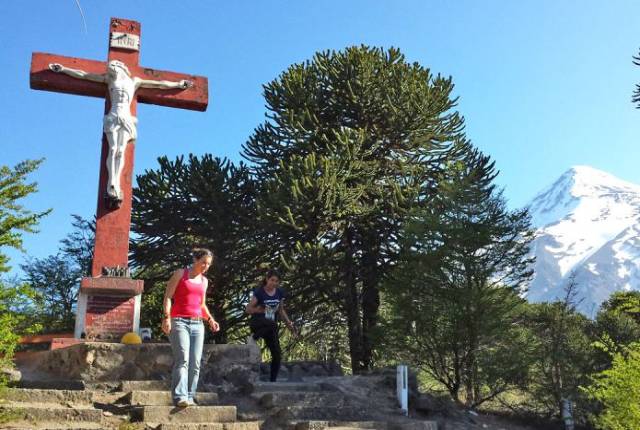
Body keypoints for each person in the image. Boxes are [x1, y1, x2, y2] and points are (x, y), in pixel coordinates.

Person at [49, 60, 192, 206]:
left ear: (121, 67)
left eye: (113, 68)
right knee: (113, 149)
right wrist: (63, 69)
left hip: (126, 118)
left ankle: (116, 181)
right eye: (110, 69)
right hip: (113, 116)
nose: (111, 71)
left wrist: (178, 84)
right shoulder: (109, 80)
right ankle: (112, 182)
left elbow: (159, 84)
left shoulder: (135, 81)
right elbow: (84, 75)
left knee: (121, 151)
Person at [161, 248, 219, 407]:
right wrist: (166, 318)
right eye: (203, 262)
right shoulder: (180, 274)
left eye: (208, 264)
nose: (206, 266)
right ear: (195, 260)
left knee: (195, 363)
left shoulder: (204, 281)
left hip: (198, 324)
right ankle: (180, 397)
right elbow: (168, 297)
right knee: (183, 359)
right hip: (179, 321)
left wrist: (210, 319)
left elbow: (202, 305)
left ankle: (190, 396)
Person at [245, 269, 296, 382]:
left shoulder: (279, 292)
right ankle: (253, 338)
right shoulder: (260, 292)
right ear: (267, 279)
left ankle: (273, 380)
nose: (274, 283)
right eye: (272, 280)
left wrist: (289, 323)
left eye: (276, 281)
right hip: (258, 323)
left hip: (270, 326)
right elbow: (248, 309)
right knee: (273, 324)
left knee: (277, 354)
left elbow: (281, 310)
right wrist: (259, 310)